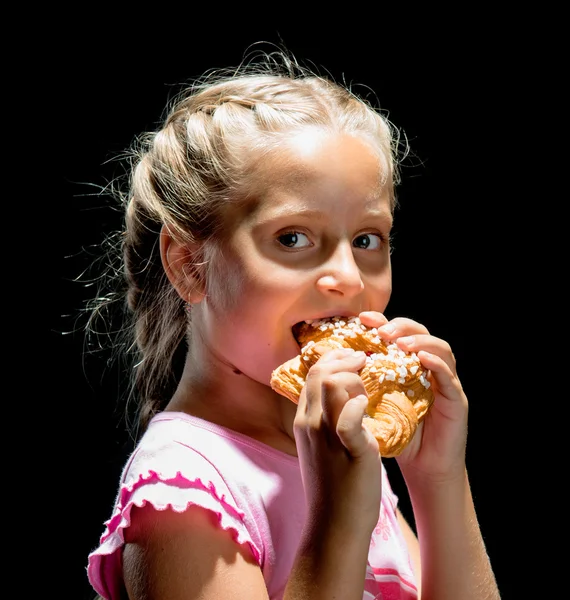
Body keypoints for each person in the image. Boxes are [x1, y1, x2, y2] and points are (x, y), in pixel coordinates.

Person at [85, 47, 501, 600]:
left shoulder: (342, 454)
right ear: (190, 266)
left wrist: (438, 480)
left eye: (367, 239)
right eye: (293, 238)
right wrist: (336, 518)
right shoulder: (182, 491)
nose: (349, 278)